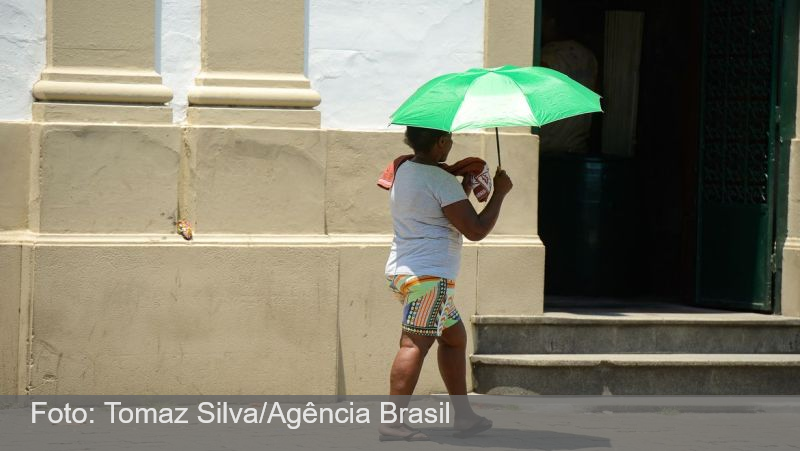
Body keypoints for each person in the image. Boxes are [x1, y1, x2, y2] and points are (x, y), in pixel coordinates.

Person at [379, 126, 513, 441]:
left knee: (453, 339)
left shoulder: (405, 169)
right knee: (413, 344)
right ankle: (392, 422)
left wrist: (463, 188)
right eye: (449, 139)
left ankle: (464, 417)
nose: (451, 144)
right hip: (430, 277)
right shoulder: (440, 179)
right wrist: (500, 193)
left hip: (407, 271)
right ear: (441, 142)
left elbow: (438, 213)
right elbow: (476, 229)